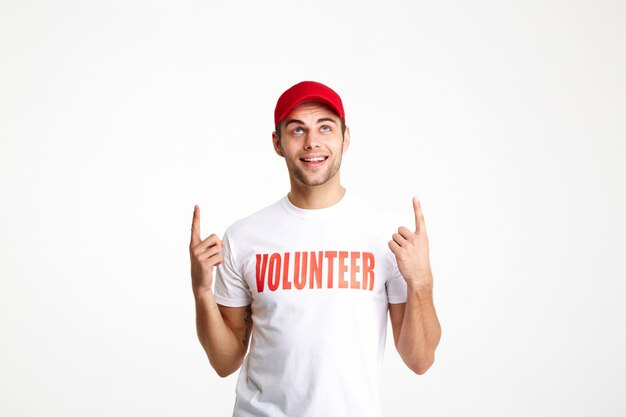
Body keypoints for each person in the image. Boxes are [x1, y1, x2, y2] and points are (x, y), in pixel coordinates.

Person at [189, 81, 441, 417]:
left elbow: (420, 360)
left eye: (325, 127)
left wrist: (421, 283)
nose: (312, 142)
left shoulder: (387, 236)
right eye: (297, 130)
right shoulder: (244, 237)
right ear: (278, 143)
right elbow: (224, 362)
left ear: (345, 138)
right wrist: (202, 290)